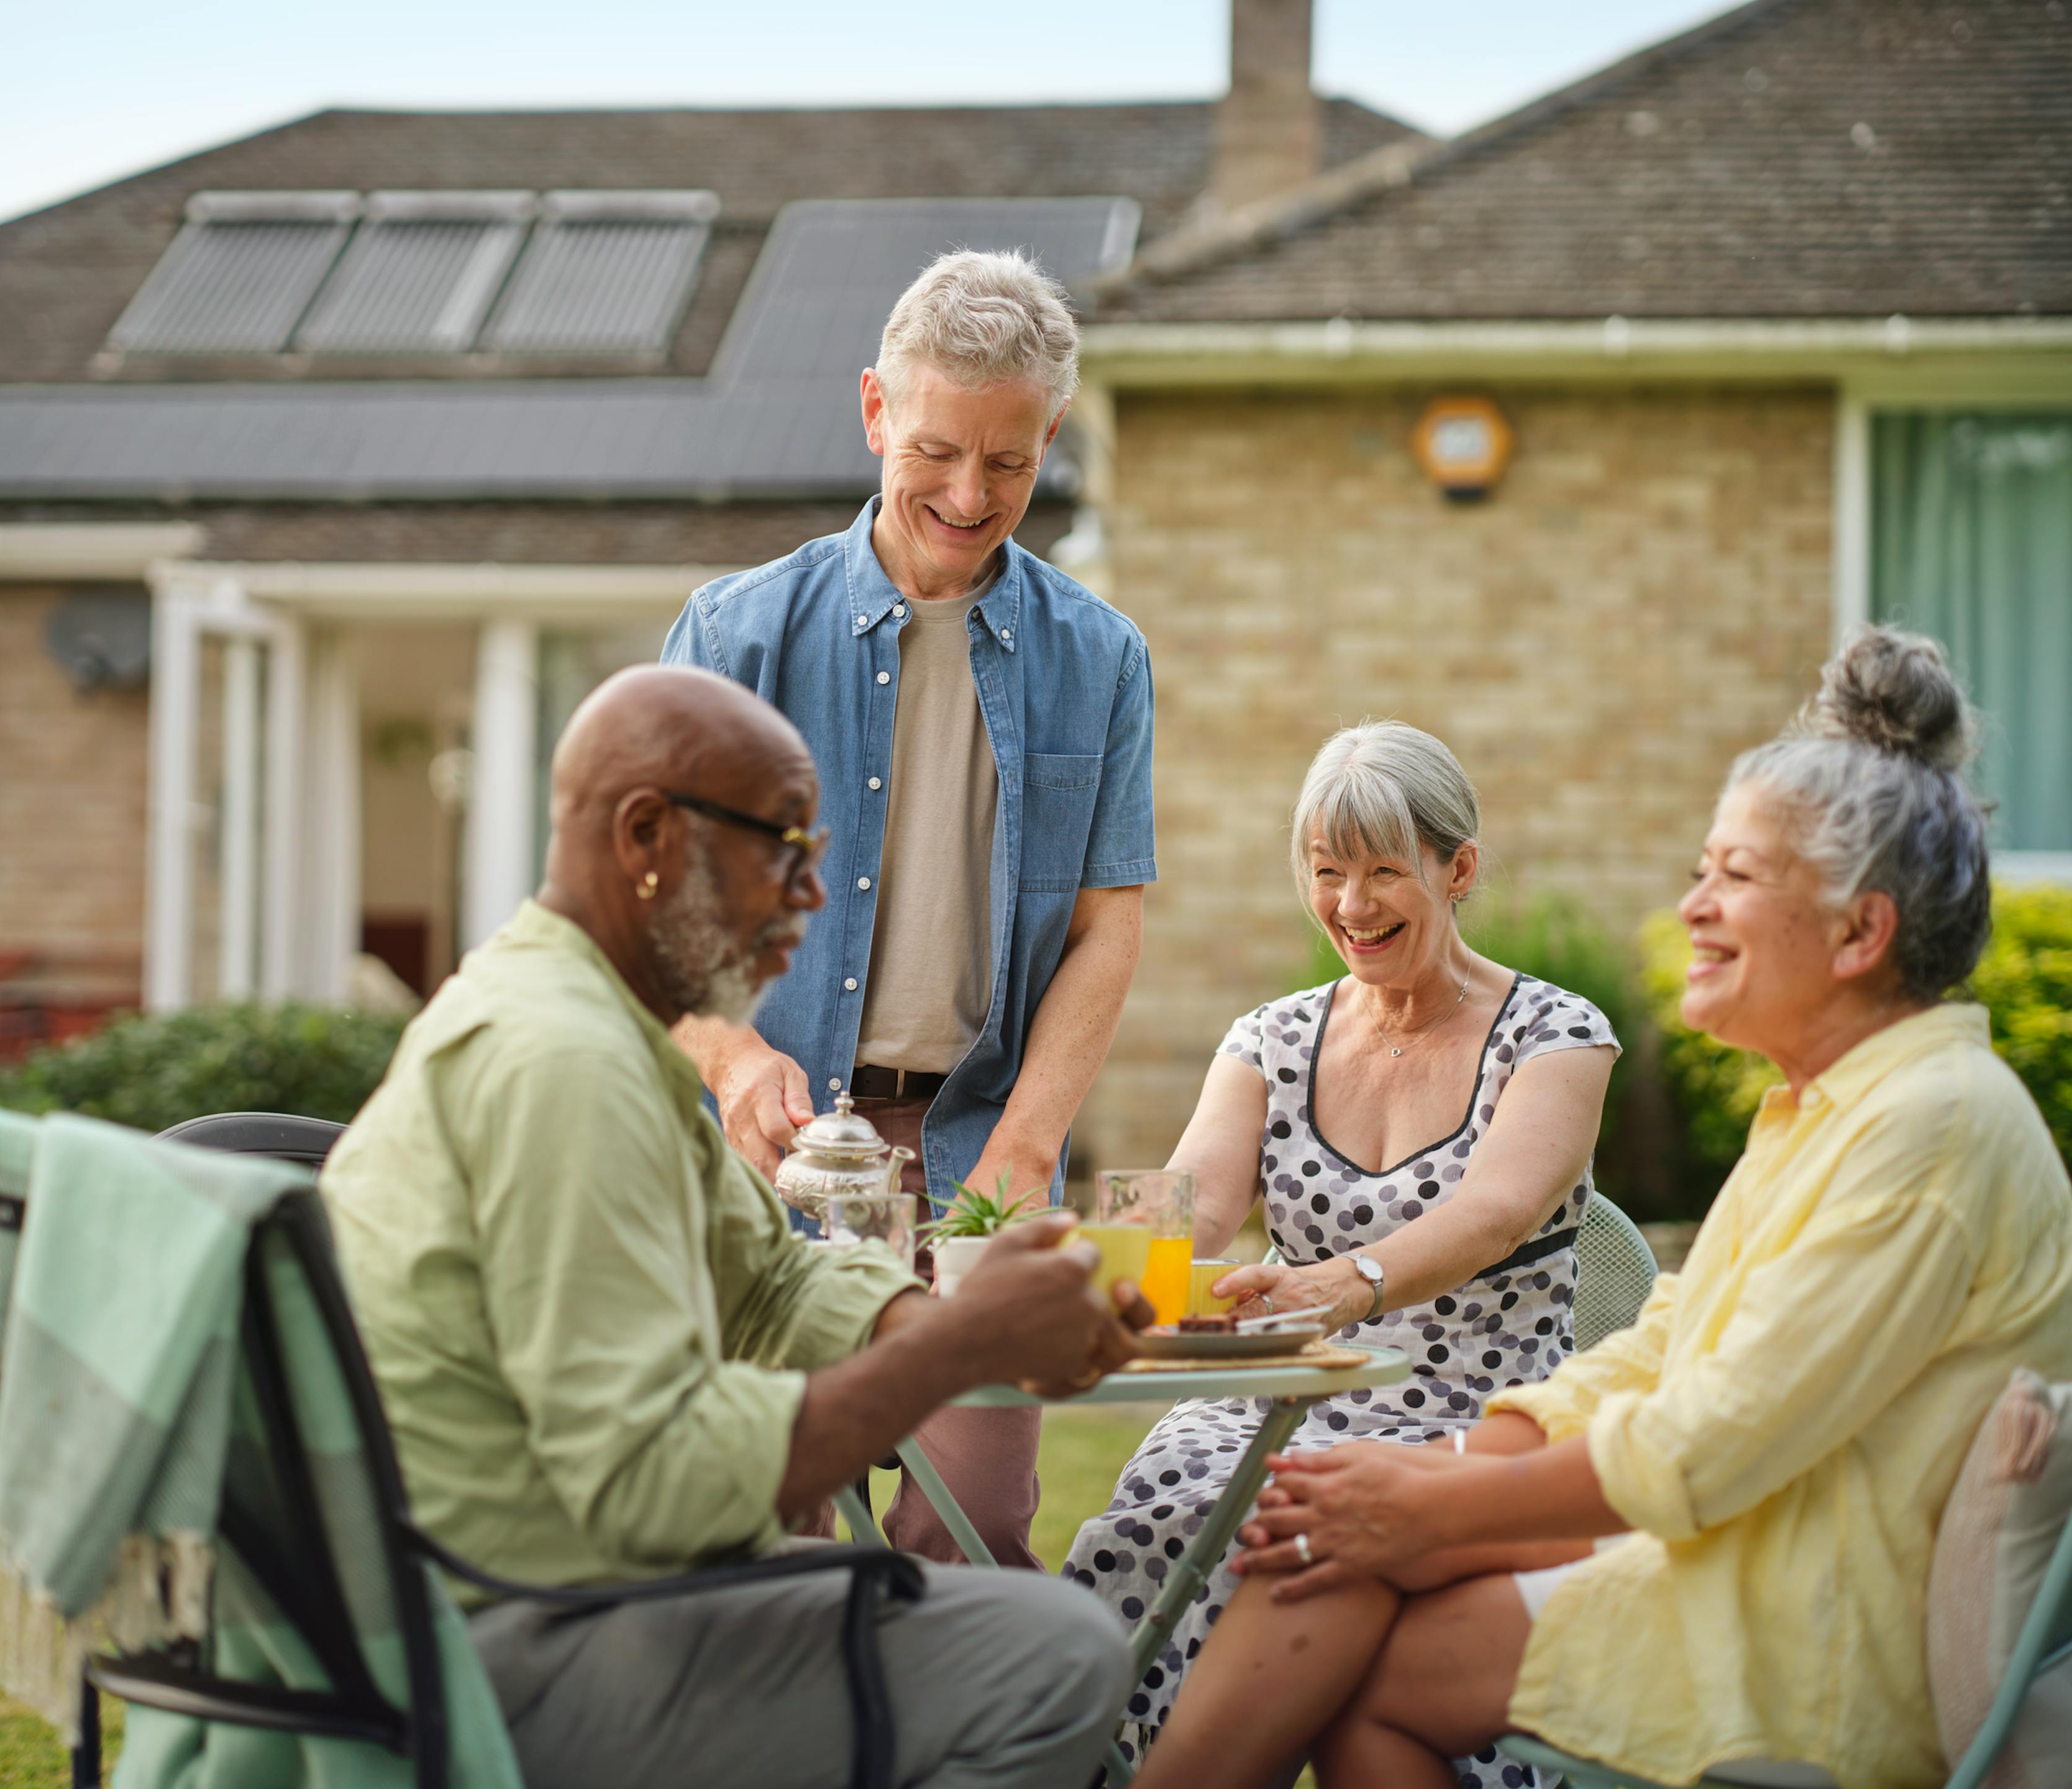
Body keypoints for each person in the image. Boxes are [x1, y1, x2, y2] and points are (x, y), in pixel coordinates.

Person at [1134, 627, 2072, 1789]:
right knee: (1324, 1547)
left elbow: (1711, 1444)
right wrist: (1451, 1472)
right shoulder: (1831, 1111)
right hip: (1732, 1543)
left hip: (1800, 1623)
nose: (1693, 911)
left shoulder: (1928, 1133)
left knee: (1342, 1586)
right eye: (1702, 873)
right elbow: (1664, 1347)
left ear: (1860, 934)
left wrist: (1439, 1501)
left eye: (1736, 878)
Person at [319, 665, 1149, 1789]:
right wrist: (962, 1346)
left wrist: (946, 1313)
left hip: (564, 1594)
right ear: (648, 834)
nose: (814, 895)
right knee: (1058, 1656)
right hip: (511, 1637)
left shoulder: (594, 1024)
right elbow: (653, 1480)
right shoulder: (560, 1064)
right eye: (784, 848)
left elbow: (768, 1285)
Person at [661, 247, 1154, 1569]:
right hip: (775, 1153)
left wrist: (1028, 1142)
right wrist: (729, 1053)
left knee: (974, 1530)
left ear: (1051, 437)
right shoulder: (733, 636)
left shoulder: (1101, 659)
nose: (967, 493)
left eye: (1008, 462)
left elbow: (1108, 922)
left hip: (977, 1146)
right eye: (936, 449)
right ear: (876, 411)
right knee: (778, 1516)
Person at [1064, 722, 1618, 1779]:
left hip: (1471, 1409)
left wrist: (1348, 1283)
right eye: (1326, 874)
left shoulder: (1556, 1037)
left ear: (1458, 870)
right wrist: (1104, 1263)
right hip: (1274, 1393)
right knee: (1166, 1519)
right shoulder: (1269, 1038)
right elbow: (1193, 1208)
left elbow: (1494, 1215)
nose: (1351, 908)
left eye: (1380, 872)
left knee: (1275, 1533)